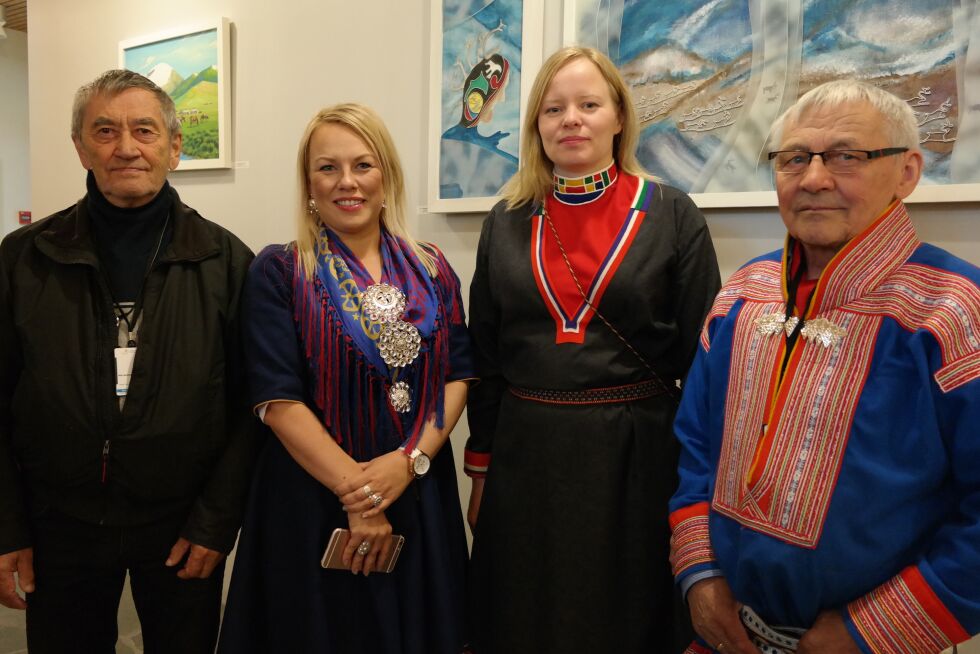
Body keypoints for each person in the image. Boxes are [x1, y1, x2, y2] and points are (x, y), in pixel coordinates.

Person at [669, 79, 980, 654]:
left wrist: (864, 634)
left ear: (907, 171)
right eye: (793, 159)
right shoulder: (741, 294)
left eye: (846, 156)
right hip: (723, 635)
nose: (813, 178)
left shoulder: (955, 311)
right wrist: (701, 579)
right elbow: (694, 450)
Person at [464, 46, 721, 653]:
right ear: (537, 127)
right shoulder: (505, 221)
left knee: (625, 616)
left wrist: (698, 490)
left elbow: (706, 369)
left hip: (637, 456)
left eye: (587, 104)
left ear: (618, 118)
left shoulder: (672, 215)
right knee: (528, 615)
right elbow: (486, 360)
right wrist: (481, 472)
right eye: (553, 109)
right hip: (527, 456)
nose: (570, 119)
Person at [0, 69, 260, 653]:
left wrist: (217, 522)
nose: (125, 147)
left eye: (144, 130)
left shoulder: (227, 262)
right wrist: (6, 526)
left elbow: (252, 409)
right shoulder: (24, 259)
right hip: (56, 521)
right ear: (79, 147)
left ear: (174, 146)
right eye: (105, 131)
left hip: (180, 525)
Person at [217, 103, 474, 654]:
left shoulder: (432, 267)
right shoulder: (280, 271)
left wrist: (408, 464)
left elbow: (457, 376)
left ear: (387, 176)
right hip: (312, 500)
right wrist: (360, 498)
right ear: (308, 183)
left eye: (363, 164)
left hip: (415, 489)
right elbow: (277, 399)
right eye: (327, 168)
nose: (347, 182)